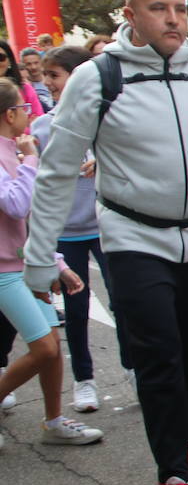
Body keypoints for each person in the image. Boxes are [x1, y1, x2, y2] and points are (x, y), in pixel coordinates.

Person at [24, 0, 188, 485]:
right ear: (129, 14)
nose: (173, 19)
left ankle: (185, 441)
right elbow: (54, 172)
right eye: (158, 8)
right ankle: (172, 475)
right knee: (158, 354)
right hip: (132, 239)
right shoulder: (99, 77)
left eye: (180, 9)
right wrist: (38, 255)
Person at [0, 78, 103, 445]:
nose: (29, 115)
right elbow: (16, 204)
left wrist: (56, 263)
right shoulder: (13, 153)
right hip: (3, 272)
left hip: (24, 264)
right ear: (11, 113)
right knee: (43, 347)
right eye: (24, 109)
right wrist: (31, 159)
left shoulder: (14, 149)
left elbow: (32, 222)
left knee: (51, 347)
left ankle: (54, 422)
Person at [32, 45, 135, 412]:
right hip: (67, 233)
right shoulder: (42, 128)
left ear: (77, 78)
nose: (47, 83)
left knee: (124, 303)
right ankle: (84, 380)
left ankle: (133, 368)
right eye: (45, 76)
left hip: (106, 226)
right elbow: (40, 183)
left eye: (54, 75)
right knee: (74, 312)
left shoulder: (107, 118)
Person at [0, 41, 44, 116]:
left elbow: (38, 122)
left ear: (10, 60)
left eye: (0, 57)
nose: (33, 67)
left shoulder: (25, 90)